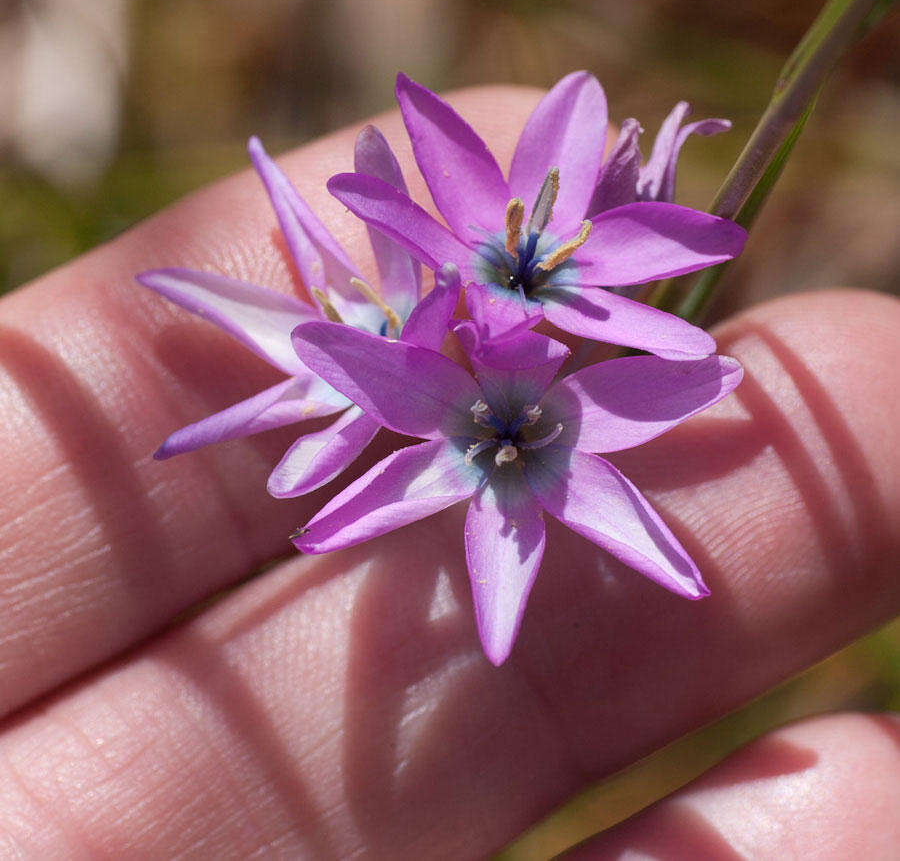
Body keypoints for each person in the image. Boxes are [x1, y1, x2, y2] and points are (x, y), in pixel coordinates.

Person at [0, 85, 897, 858]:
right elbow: (413, 376)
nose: (520, 267)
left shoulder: (513, 327)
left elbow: (663, 349)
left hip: (501, 381)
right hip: (466, 383)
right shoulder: (476, 321)